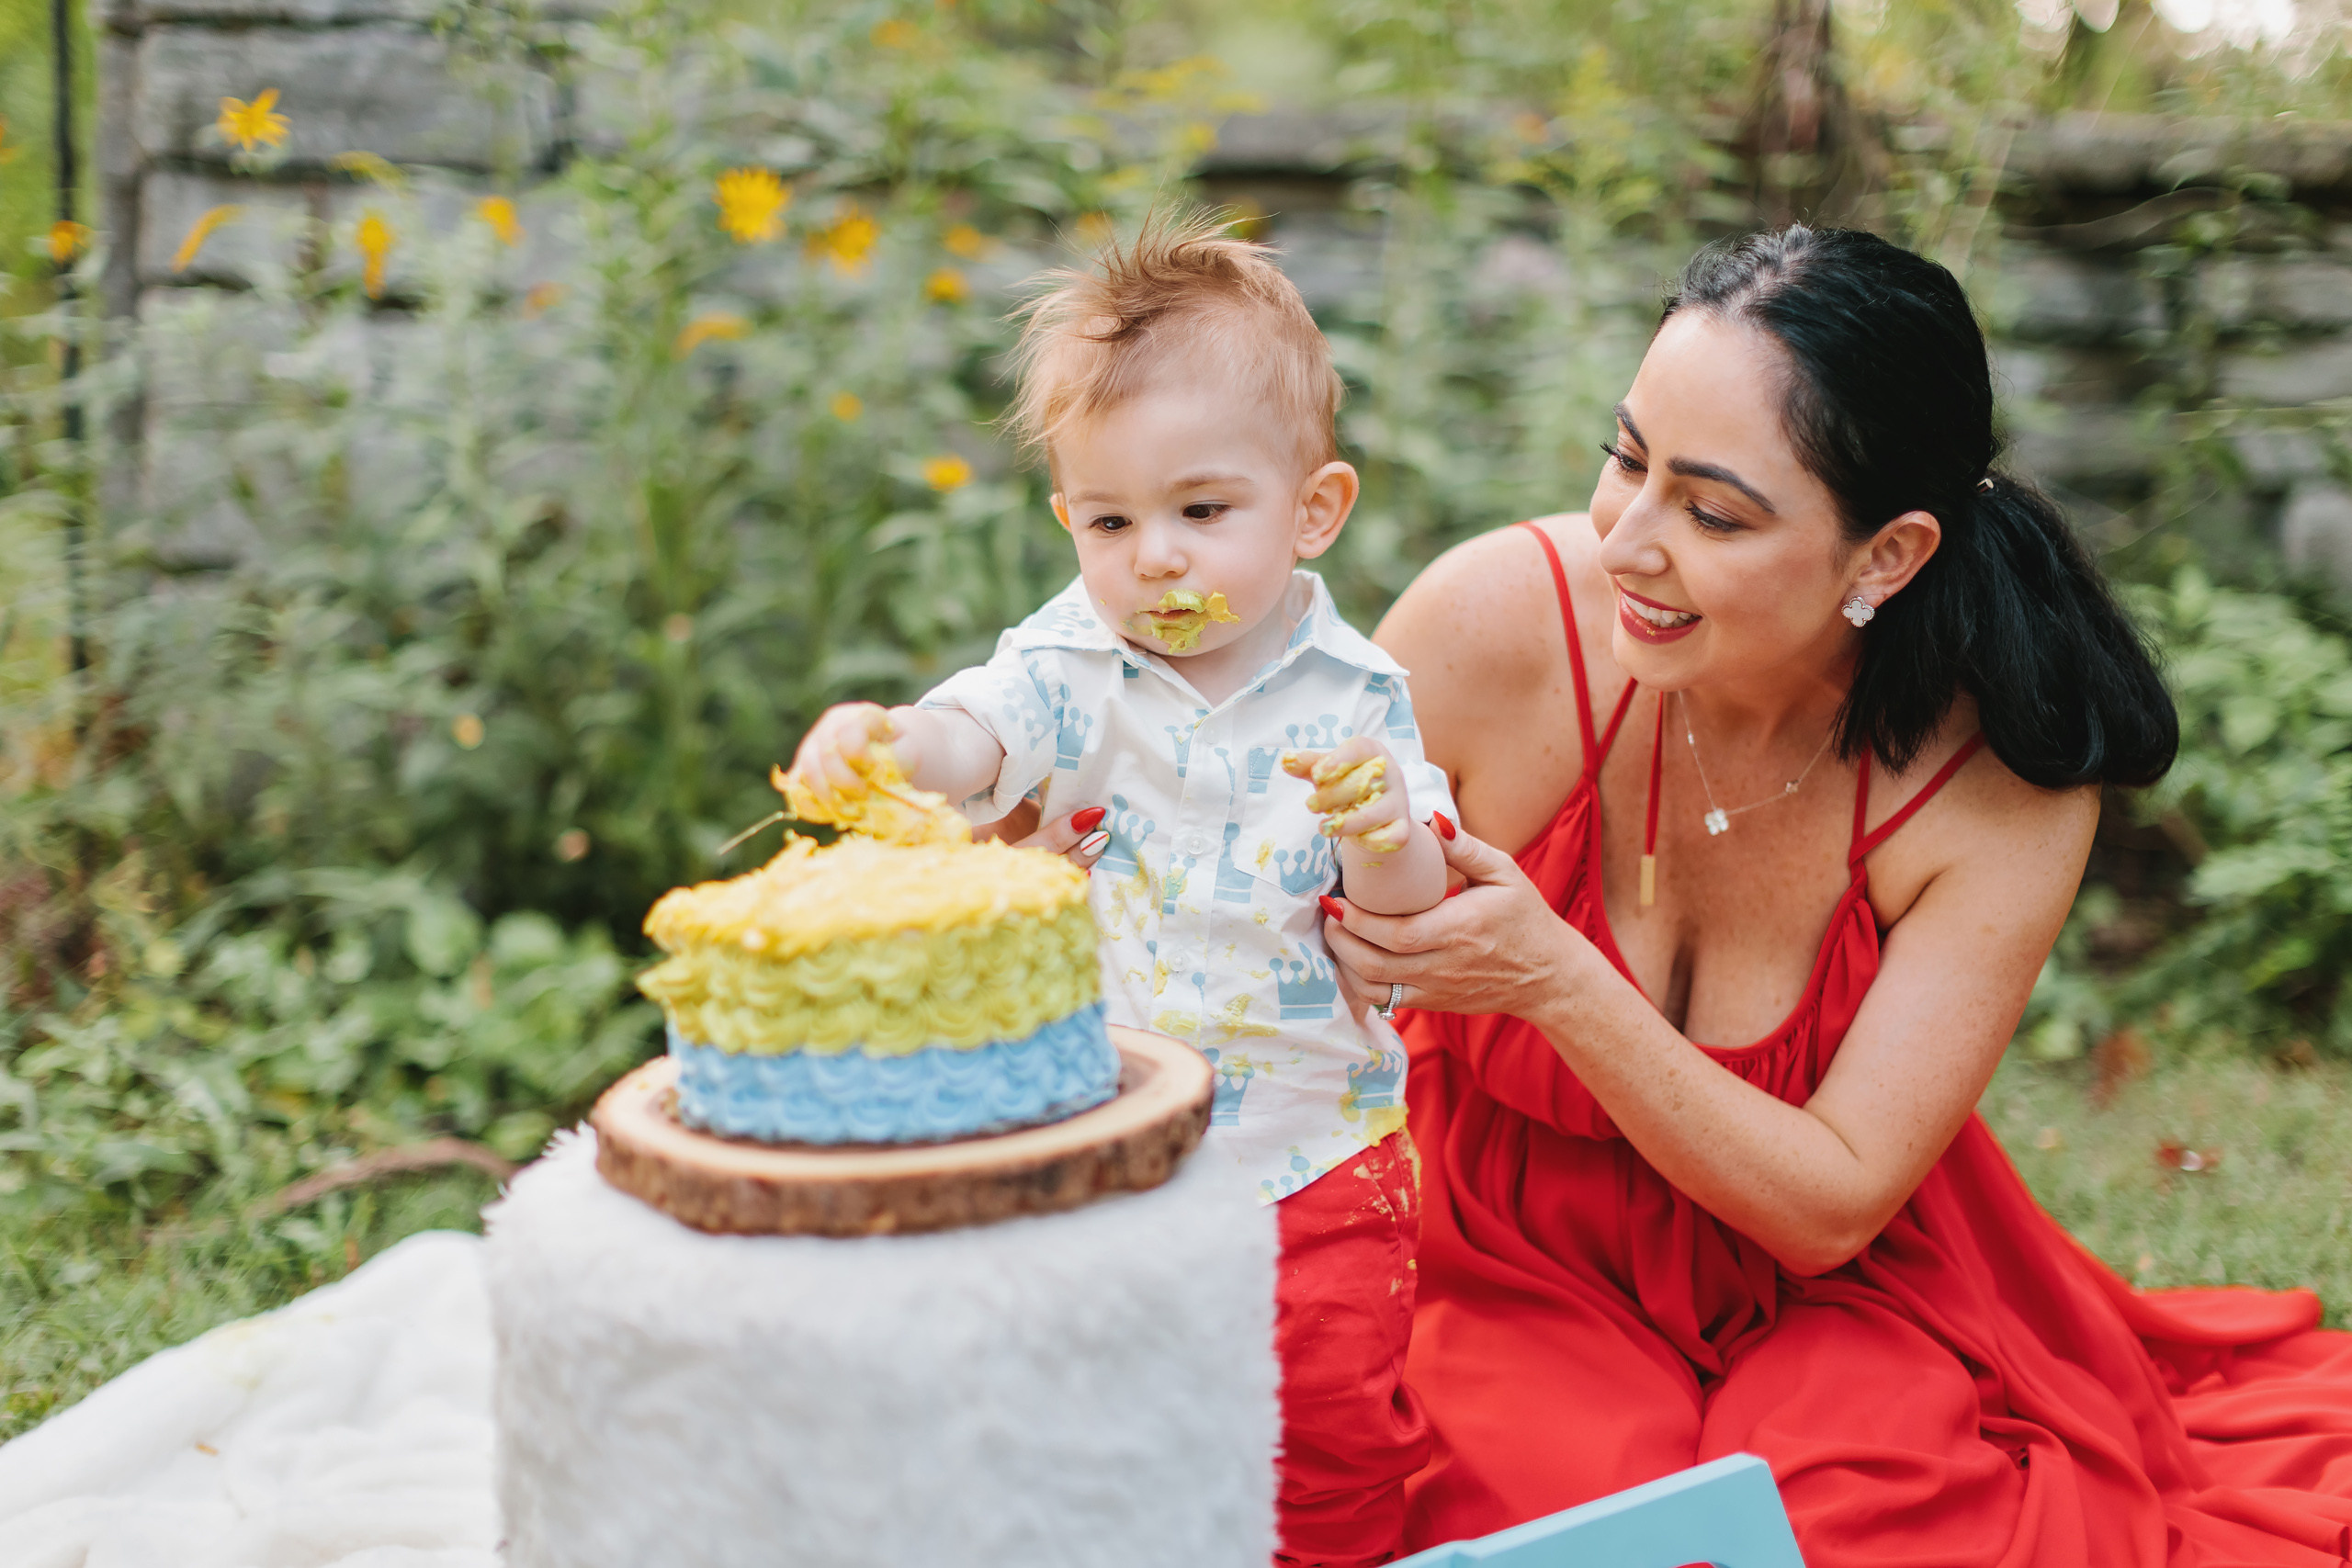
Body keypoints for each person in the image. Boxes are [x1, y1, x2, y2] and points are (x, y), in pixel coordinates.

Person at [1322, 225, 2352, 1565]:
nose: (1628, 540)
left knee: (1860, 1530)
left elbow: (1835, 1200)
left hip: (1835, 1273)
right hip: (1503, 1236)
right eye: (1627, 458)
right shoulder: (1493, 621)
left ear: (1885, 557)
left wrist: (1555, 981)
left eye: (1713, 512)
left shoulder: (2003, 787)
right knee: (1547, 1531)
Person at [786, 211, 1451, 1567]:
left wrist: (1383, 825)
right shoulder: (1069, 660)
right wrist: (891, 740)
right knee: (1087, 1418)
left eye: (1204, 512)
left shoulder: (1356, 696)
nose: (1156, 557)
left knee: (1329, 1434)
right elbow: (976, 734)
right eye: (1111, 519)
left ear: (1312, 508)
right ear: (1067, 520)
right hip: (1098, 1141)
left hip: (1311, 1161)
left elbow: (1414, 896)